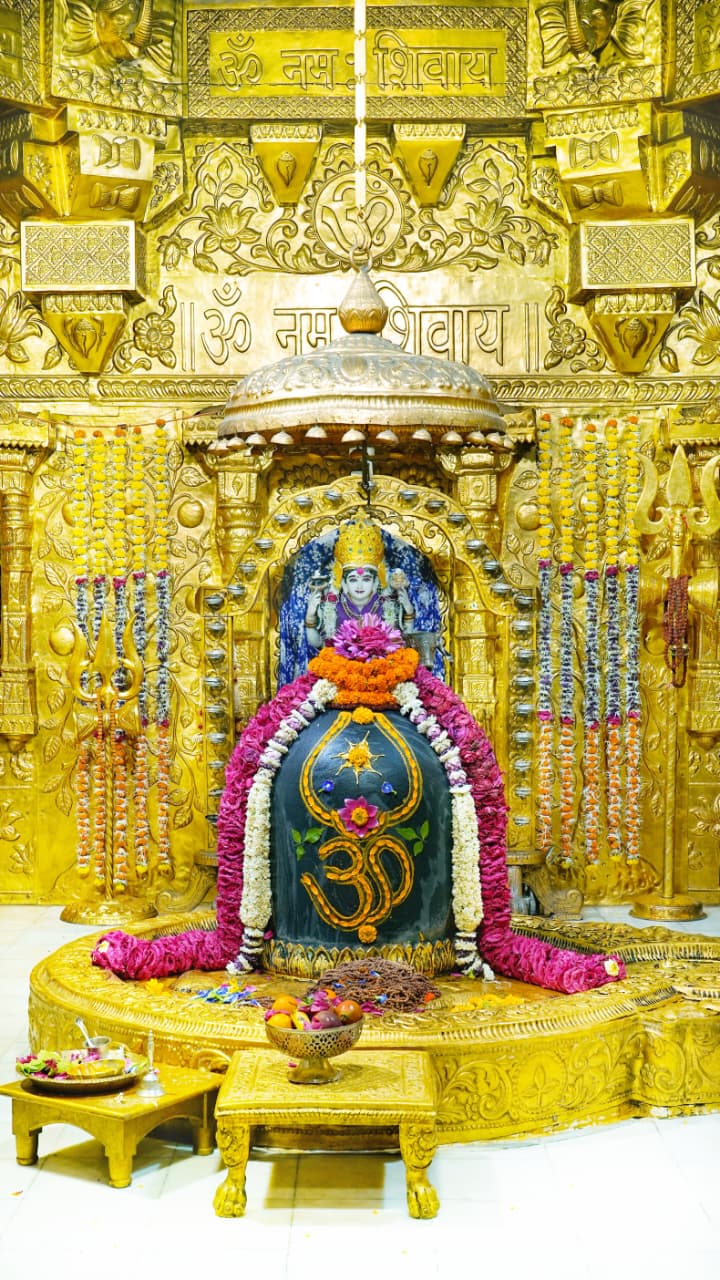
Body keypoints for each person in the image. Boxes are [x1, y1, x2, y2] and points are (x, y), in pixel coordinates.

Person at [304, 519, 416, 650]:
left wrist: (408, 611)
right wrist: (310, 615)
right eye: (353, 580)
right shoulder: (333, 605)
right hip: (340, 661)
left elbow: (402, 642)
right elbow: (317, 643)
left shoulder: (386, 605)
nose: (359, 586)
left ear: (375, 582)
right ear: (344, 583)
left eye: (366, 579)